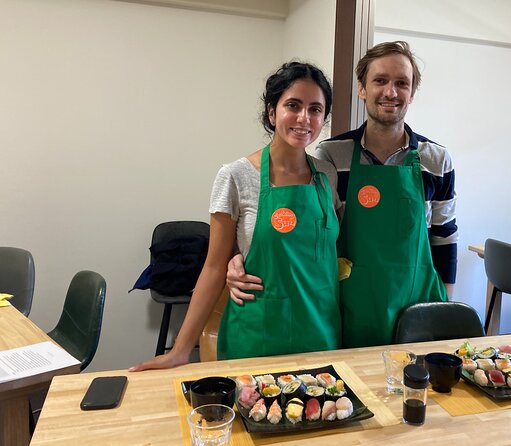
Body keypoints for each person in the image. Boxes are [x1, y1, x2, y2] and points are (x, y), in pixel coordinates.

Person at [227, 41, 458, 348]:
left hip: (416, 312)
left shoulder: (437, 160)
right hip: (350, 310)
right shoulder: (332, 158)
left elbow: (445, 236)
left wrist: (444, 309)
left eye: (401, 83)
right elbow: (307, 236)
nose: (390, 92)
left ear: (412, 93)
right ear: (361, 89)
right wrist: (238, 258)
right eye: (380, 81)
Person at [130, 61, 341, 370]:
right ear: (272, 112)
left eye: (315, 109)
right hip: (259, 336)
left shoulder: (326, 174)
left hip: (322, 335)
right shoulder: (236, 176)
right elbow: (214, 267)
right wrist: (181, 350)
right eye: (293, 105)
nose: (304, 118)